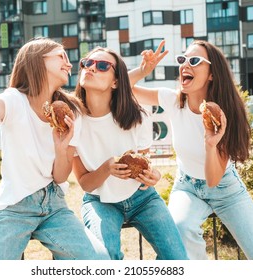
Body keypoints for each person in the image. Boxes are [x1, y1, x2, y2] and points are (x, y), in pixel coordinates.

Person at [0, 20, 110, 260]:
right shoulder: (15, 101)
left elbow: (60, 177)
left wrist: (62, 146)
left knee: (96, 262)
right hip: (15, 208)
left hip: (54, 206)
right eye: (60, 56)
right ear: (37, 62)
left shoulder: (72, 112)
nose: (69, 63)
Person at [128, 40, 253, 260]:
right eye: (182, 60)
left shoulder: (222, 114)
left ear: (211, 74)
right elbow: (123, 88)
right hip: (186, 186)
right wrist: (143, 70)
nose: (185, 65)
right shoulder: (172, 100)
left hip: (226, 189)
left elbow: (213, 180)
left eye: (194, 60)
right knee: (181, 230)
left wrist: (211, 144)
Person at [72, 46, 188, 260]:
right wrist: (107, 168)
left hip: (143, 198)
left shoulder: (138, 116)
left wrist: (152, 176)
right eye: (87, 63)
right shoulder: (73, 121)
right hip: (100, 201)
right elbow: (86, 184)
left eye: (103, 65)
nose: (91, 68)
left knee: (178, 260)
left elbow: (144, 165)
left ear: (116, 81)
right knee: (105, 259)